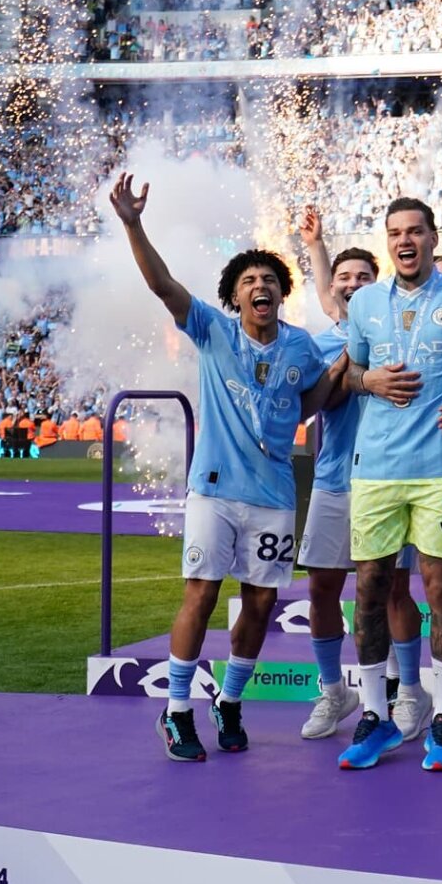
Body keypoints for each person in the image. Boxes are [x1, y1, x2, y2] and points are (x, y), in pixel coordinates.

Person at [109, 172, 338, 762]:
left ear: (281, 294)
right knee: (202, 593)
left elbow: (310, 401)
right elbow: (162, 284)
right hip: (214, 490)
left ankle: (229, 701)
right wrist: (134, 225)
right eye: (248, 281)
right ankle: (177, 710)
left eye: (269, 279)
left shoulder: (301, 347)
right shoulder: (212, 330)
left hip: (274, 494)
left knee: (261, 603)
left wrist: (340, 377)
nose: (260, 285)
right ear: (234, 297)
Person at [337, 197, 442, 772]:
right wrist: (369, 380)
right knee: (369, 589)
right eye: (395, 233)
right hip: (376, 468)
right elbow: (352, 373)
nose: (405, 241)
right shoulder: (364, 302)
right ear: (387, 241)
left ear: (434, 237)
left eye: (415, 231)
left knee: (441, 590)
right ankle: (375, 714)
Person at [294, 213, 429, 743]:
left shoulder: (398, 332)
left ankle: (409, 691)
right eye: (343, 278)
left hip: (391, 478)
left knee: (395, 589)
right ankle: (334, 691)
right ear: (333, 289)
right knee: (323, 588)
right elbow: (316, 405)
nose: (352, 284)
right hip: (334, 480)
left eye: (363, 277)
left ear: (377, 286)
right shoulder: (322, 343)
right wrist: (349, 363)